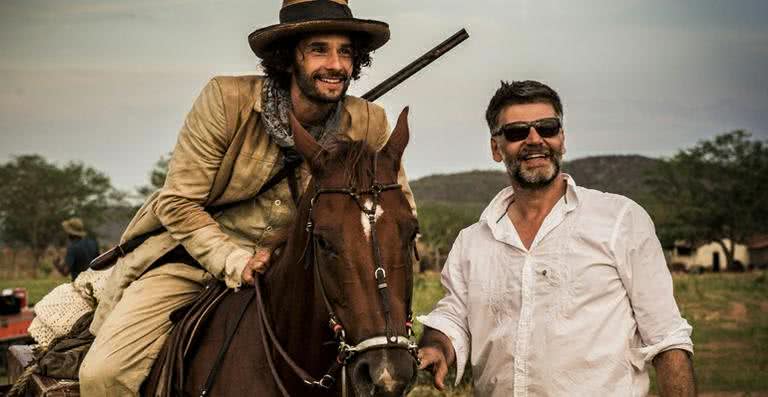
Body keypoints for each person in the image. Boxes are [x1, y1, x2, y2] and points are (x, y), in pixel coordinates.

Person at [78, 1, 414, 394]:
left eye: (345, 52)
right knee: (103, 375)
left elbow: (397, 214)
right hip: (197, 259)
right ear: (290, 57)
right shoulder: (226, 100)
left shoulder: (370, 120)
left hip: (303, 275)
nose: (336, 65)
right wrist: (234, 260)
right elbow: (177, 203)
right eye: (320, 49)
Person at [416, 80, 695, 396]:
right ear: (496, 148)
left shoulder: (620, 220)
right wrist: (437, 346)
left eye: (547, 128)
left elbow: (667, 338)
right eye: (517, 132)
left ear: (562, 138)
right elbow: (454, 316)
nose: (535, 140)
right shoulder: (472, 241)